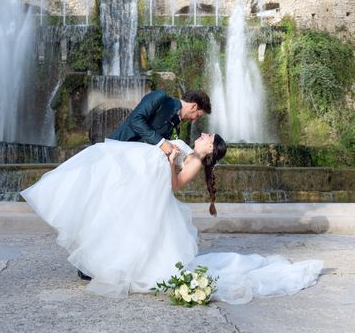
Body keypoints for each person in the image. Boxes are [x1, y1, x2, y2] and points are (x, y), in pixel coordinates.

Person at [20, 132, 323, 303]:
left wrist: (168, 158)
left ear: (209, 149)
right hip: (149, 193)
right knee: (102, 160)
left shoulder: (194, 160)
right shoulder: (190, 153)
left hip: (158, 198)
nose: (203, 134)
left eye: (208, 137)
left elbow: (174, 184)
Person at [108, 89, 211, 157]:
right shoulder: (160, 97)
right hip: (117, 150)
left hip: (136, 161)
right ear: (193, 106)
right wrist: (161, 142)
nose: (194, 119)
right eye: (198, 115)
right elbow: (135, 120)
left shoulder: (177, 126)